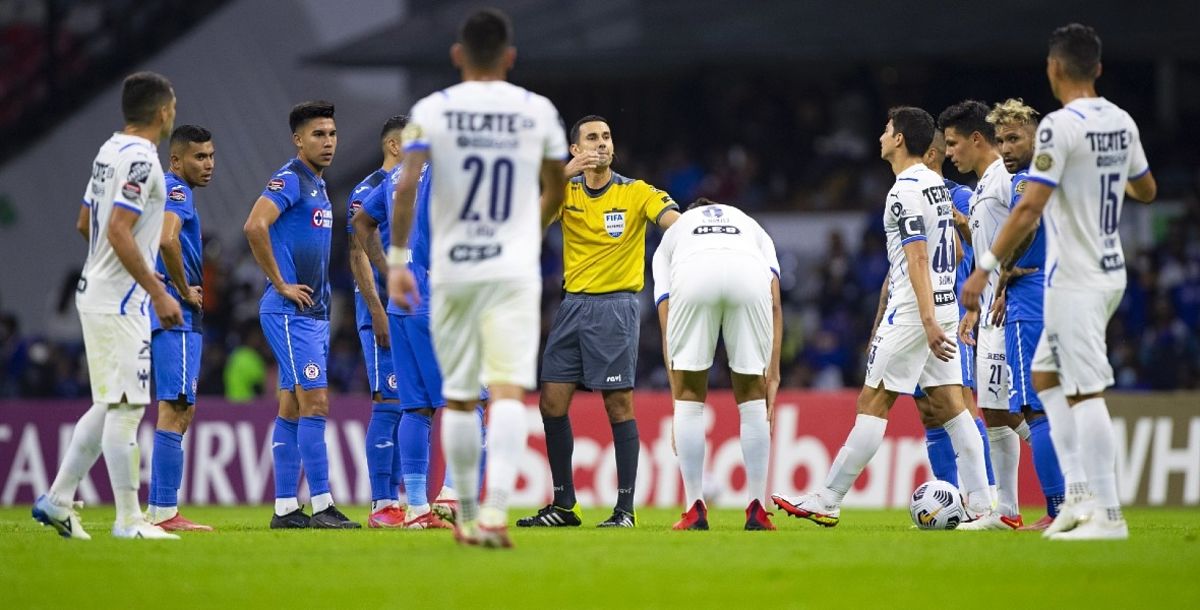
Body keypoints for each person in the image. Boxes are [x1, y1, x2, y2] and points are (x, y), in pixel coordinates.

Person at [962, 24, 1156, 540]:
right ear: (1097, 68)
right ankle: (1075, 500)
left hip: (1076, 273)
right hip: (1107, 266)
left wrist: (983, 270)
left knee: (1083, 391)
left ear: (1054, 69)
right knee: (1046, 380)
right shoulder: (1122, 122)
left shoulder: (1059, 128)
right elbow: (1145, 188)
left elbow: (1028, 209)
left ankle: (1108, 517)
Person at [388, 8, 568, 548]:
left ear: (457, 55)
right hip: (511, 268)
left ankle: (464, 515)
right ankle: (493, 513)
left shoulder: (432, 109)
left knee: (461, 396)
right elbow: (557, 187)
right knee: (508, 390)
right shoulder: (537, 110)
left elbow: (404, 186)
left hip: (452, 269)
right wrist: (527, 232)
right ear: (510, 57)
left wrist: (397, 260)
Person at [771, 107, 992, 526]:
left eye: (887, 130)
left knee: (873, 402)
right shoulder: (938, 187)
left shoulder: (904, 191)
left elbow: (918, 255)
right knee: (952, 408)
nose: (881, 136)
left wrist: (924, 320)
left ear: (901, 140)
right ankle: (982, 504)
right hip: (944, 305)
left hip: (914, 312)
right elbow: (959, 250)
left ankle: (828, 498)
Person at [33, 71, 182, 540]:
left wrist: (126, 265)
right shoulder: (141, 160)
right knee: (127, 408)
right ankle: (129, 520)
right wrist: (155, 290)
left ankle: (57, 500)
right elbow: (118, 228)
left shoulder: (108, 150)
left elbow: (86, 223)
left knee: (110, 401)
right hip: (121, 302)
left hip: (99, 290)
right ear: (162, 112)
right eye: (172, 106)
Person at [517, 115, 679, 529]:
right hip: (572, 307)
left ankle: (624, 510)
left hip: (615, 307)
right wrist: (556, 180)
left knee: (617, 403)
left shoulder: (635, 192)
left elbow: (672, 222)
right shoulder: (565, 193)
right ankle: (564, 505)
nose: (602, 144)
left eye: (607, 136)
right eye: (592, 138)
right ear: (575, 150)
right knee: (550, 402)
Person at [243, 100, 359, 529]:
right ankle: (323, 504)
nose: (328, 142)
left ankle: (286, 509)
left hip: (313, 314)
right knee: (317, 401)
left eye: (331, 134)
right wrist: (280, 282)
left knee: (292, 406)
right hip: (291, 311)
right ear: (298, 139)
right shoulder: (290, 178)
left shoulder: (319, 184)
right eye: (318, 135)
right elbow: (255, 225)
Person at [353, 121, 466, 531]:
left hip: (402, 303)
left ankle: (416, 508)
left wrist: (390, 272)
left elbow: (362, 224)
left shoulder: (397, 176)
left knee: (415, 408)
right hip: (438, 301)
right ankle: (453, 496)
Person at [875, 129, 995, 496]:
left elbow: (981, 249)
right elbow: (902, 265)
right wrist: (879, 319)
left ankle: (989, 493)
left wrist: (962, 225)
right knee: (929, 410)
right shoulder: (910, 194)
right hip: (912, 312)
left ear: (931, 154)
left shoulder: (961, 197)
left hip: (951, 315)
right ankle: (949, 496)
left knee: (960, 405)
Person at [652, 198, 781, 531]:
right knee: (753, 395)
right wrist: (774, 373)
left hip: (695, 274)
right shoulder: (750, 224)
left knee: (690, 398)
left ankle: (695, 508)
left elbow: (666, 315)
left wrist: (676, 396)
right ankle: (757, 509)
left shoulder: (676, 233)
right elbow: (775, 301)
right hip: (748, 276)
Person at [938, 100, 1026, 530]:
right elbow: (988, 241)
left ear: (976, 139)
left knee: (1020, 408)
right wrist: (973, 302)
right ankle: (1006, 513)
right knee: (991, 408)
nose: (949, 153)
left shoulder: (1005, 181)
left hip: (1010, 308)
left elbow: (1028, 230)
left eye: (953, 144)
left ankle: (1072, 477)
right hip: (987, 311)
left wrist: (1011, 281)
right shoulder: (981, 188)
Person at [987, 97, 1067, 531]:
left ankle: (1058, 510)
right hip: (1065, 294)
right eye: (1001, 140)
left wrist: (1002, 274)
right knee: (1067, 405)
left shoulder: (1026, 185)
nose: (1005, 149)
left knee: (1036, 410)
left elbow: (1028, 224)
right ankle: (1085, 501)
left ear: (1037, 135)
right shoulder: (1061, 174)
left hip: (1031, 300)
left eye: (1014, 138)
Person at [146, 124, 215, 532]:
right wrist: (183, 288)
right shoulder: (177, 190)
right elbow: (167, 239)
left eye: (210, 156)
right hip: (179, 316)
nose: (208, 164)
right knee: (177, 408)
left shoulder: (170, 189)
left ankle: (160, 510)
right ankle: (164, 512)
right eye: (199, 157)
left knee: (177, 407)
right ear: (176, 160)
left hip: (171, 314)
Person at [347, 116, 408, 528]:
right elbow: (357, 253)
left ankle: (398, 499)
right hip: (382, 311)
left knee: (408, 406)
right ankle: (381, 502)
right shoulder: (367, 190)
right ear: (393, 146)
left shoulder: (413, 189)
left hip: (410, 309)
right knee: (387, 403)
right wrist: (376, 309)